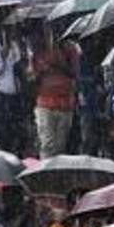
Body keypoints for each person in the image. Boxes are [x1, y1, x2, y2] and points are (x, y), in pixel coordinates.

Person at [32, 29, 77, 159]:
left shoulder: (70, 48)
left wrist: (59, 60)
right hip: (45, 104)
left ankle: (57, 175)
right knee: (47, 144)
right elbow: (32, 79)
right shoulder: (38, 50)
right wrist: (42, 70)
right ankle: (45, 175)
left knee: (60, 146)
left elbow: (74, 72)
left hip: (65, 104)